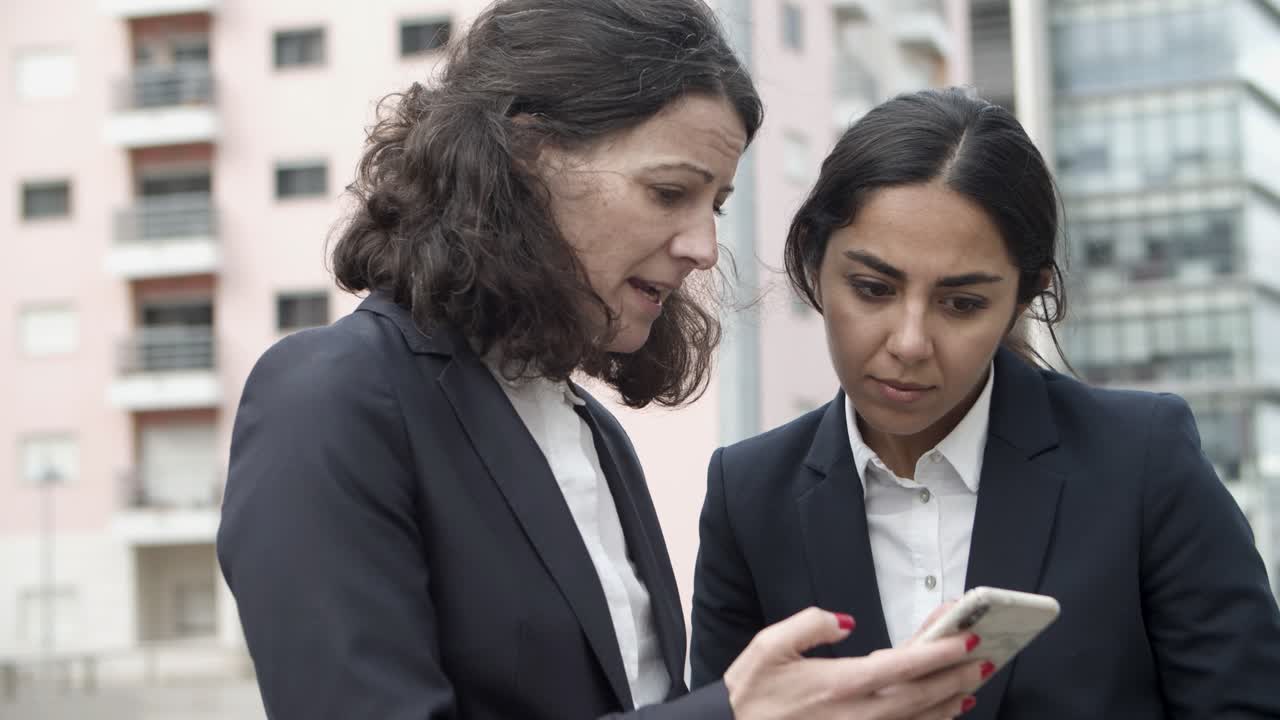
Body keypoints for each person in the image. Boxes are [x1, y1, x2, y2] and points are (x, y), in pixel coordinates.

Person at [216, 4, 990, 719]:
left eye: (713, 204)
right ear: (523, 156)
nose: (701, 246)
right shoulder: (329, 399)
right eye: (667, 192)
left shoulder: (593, 431)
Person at [689, 87, 1280, 719]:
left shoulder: (1143, 461)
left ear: (1023, 301)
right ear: (813, 262)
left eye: (962, 303)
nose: (910, 343)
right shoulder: (747, 495)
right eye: (872, 288)